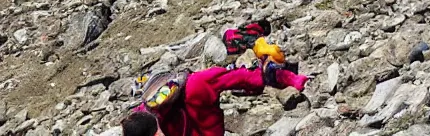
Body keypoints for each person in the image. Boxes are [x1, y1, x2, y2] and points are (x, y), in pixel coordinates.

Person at [123, 65, 309, 136]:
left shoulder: (197, 84)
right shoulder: (148, 116)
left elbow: (242, 77)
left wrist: (287, 78)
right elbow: (243, 77)